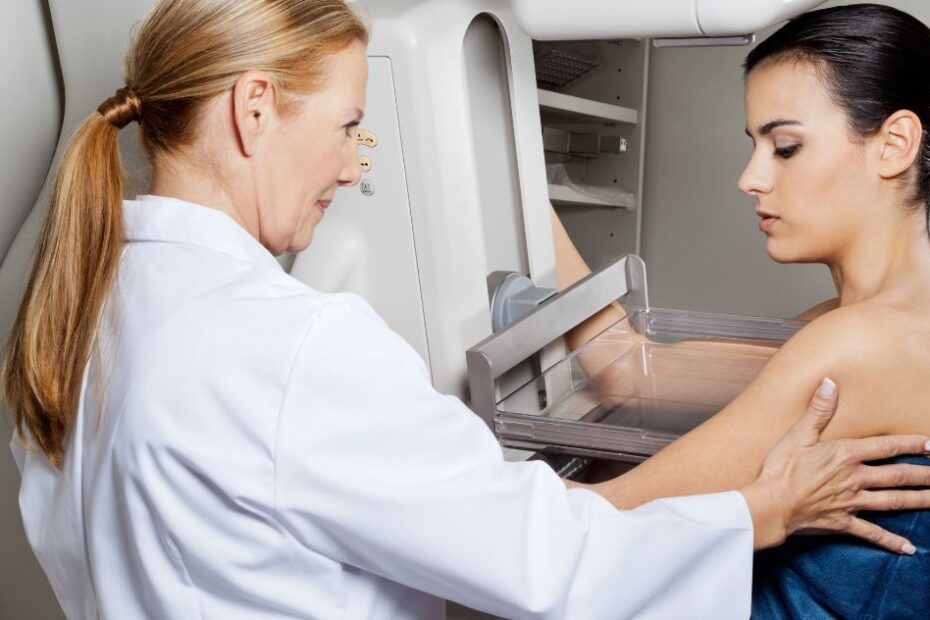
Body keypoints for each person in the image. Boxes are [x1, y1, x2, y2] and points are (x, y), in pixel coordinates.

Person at [2, 1, 929, 618]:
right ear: (253, 112)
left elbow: (614, 395)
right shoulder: (292, 344)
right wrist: (755, 512)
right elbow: (558, 539)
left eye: (785, 145)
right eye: (346, 130)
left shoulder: (76, 315)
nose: (353, 165)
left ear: (895, 146)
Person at [552, 4, 930, 619]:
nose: (750, 177)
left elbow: (604, 521)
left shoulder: (862, 344)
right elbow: (630, 368)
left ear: (894, 145)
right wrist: (511, 179)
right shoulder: (864, 321)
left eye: (785, 147)